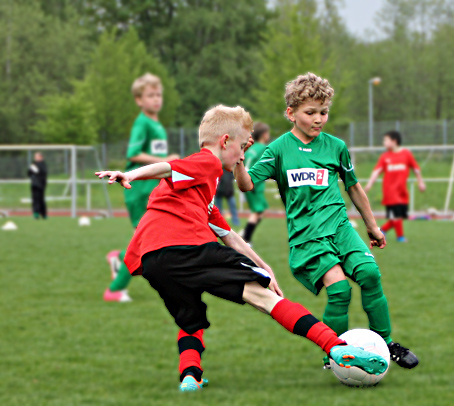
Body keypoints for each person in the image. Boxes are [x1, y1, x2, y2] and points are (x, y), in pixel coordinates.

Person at [96, 105, 388, 391]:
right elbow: (168, 168)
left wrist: (263, 266)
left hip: (152, 260)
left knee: (190, 315)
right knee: (263, 298)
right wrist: (130, 175)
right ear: (225, 142)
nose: (243, 157)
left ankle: (190, 376)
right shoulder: (207, 162)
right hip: (187, 245)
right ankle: (337, 348)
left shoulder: (200, 190)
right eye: (241, 149)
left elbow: (230, 236)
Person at [234, 73, 419, 370]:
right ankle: (335, 354)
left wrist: (373, 226)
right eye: (310, 113)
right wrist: (239, 164)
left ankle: (385, 345)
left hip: (340, 228)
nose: (319, 119)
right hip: (308, 238)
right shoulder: (279, 149)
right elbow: (247, 186)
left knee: (371, 275)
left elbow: (354, 187)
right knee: (340, 291)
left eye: (323, 112)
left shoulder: (336, 147)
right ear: (291, 114)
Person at [104, 73, 179, 303]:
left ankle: (119, 260)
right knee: (144, 242)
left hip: (151, 191)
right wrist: (165, 159)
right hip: (137, 191)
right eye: (150, 95)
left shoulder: (156, 124)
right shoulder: (142, 123)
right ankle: (115, 290)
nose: (156, 99)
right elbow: (133, 155)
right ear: (139, 99)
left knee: (150, 239)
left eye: (158, 94)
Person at [364, 131, 426, 242]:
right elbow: (376, 171)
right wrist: (369, 184)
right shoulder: (385, 157)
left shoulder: (406, 154)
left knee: (400, 215)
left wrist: (421, 182)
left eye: (385, 140)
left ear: (394, 141)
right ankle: (400, 237)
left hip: (402, 191)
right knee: (397, 215)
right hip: (390, 191)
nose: (384, 143)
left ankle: (382, 230)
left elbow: (416, 169)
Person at [241, 122, 271, 244]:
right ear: (264, 135)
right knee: (258, 211)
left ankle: (244, 233)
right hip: (255, 184)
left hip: (248, 181)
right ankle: (246, 239)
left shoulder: (251, 148)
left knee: (261, 210)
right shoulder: (263, 148)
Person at [27, 152, 47, 219]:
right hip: (35, 184)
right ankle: (36, 213)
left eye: (37, 157)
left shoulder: (42, 165)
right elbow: (29, 173)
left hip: (40, 184)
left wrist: (34, 169)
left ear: (41, 157)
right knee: (36, 199)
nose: (35, 158)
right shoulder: (34, 164)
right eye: (35, 157)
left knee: (40, 199)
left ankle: (43, 214)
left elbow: (41, 172)